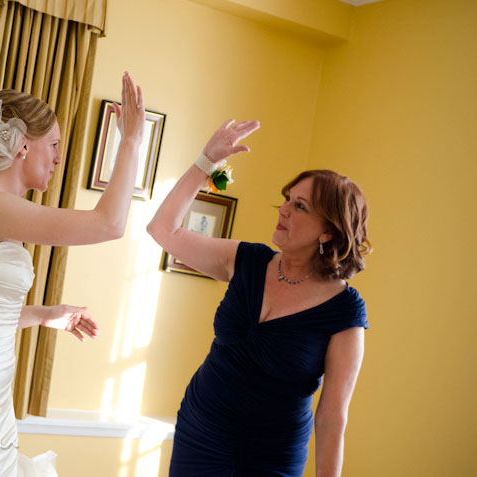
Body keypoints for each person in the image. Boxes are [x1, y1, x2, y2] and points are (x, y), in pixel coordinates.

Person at [0, 72, 145, 476]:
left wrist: (44, 314)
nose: (57, 158)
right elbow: (109, 224)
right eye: (52, 145)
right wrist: (132, 142)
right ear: (21, 144)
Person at [147, 119, 371, 476]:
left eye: (300, 206)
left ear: (328, 231)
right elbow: (162, 229)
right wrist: (206, 161)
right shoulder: (246, 259)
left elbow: (331, 416)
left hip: (271, 455)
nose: (283, 209)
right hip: (200, 431)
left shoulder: (344, 309)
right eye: (287, 199)